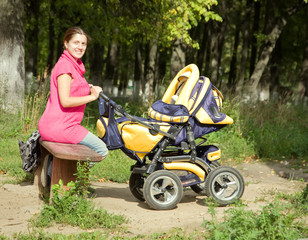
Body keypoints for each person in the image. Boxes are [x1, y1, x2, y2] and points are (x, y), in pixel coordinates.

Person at [38, 26, 108, 160]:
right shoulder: (65, 66)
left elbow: (72, 86)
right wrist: (92, 96)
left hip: (60, 125)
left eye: (83, 44)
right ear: (66, 43)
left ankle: (64, 173)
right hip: (62, 127)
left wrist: (87, 87)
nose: (80, 47)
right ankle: (73, 178)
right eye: (76, 43)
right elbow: (65, 101)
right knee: (101, 150)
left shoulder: (74, 66)